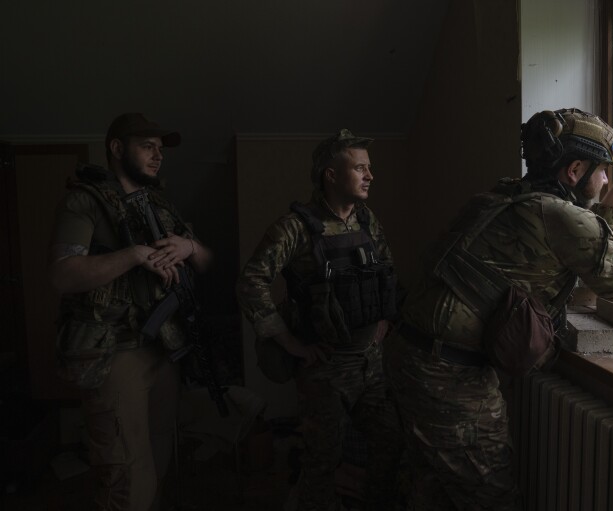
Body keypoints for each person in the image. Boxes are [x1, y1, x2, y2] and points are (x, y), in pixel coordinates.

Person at [383, 108, 613, 510]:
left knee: (429, 486)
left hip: (406, 356)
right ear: (574, 170)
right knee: (491, 498)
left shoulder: (502, 198)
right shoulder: (561, 217)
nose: (603, 181)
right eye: (601, 172)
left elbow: (577, 245)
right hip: (448, 380)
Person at [49, 113, 211, 511]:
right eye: (147, 146)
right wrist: (136, 254)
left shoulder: (158, 205)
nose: (158, 156)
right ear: (117, 149)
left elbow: (206, 262)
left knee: (159, 456)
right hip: (115, 352)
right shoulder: (84, 200)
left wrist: (190, 248)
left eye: (161, 149)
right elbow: (63, 275)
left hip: (162, 348)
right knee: (126, 474)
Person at [237, 129, 402, 510]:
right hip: (326, 370)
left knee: (390, 441)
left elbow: (388, 270)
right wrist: (289, 342)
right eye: (360, 168)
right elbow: (251, 282)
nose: (370, 175)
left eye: (369, 168)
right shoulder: (295, 228)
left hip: (370, 365)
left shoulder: (366, 220)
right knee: (322, 460)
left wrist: (384, 321)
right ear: (330, 174)